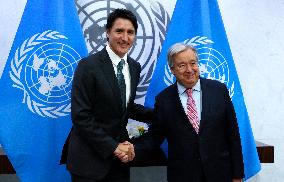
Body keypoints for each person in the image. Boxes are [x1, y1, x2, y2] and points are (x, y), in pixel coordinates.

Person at [60, 9, 153, 182]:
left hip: (119, 162)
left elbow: (124, 106)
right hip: (89, 162)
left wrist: (162, 115)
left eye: (130, 32)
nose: (125, 38)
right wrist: (113, 147)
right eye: (119, 31)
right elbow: (81, 116)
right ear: (108, 32)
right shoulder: (88, 66)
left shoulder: (134, 67)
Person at [135, 43, 244, 182]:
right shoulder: (163, 100)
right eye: (182, 65)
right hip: (183, 175)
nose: (189, 70)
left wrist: (238, 175)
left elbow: (233, 135)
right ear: (172, 69)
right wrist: (133, 149)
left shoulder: (219, 90)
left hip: (220, 173)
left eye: (193, 63)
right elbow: (155, 137)